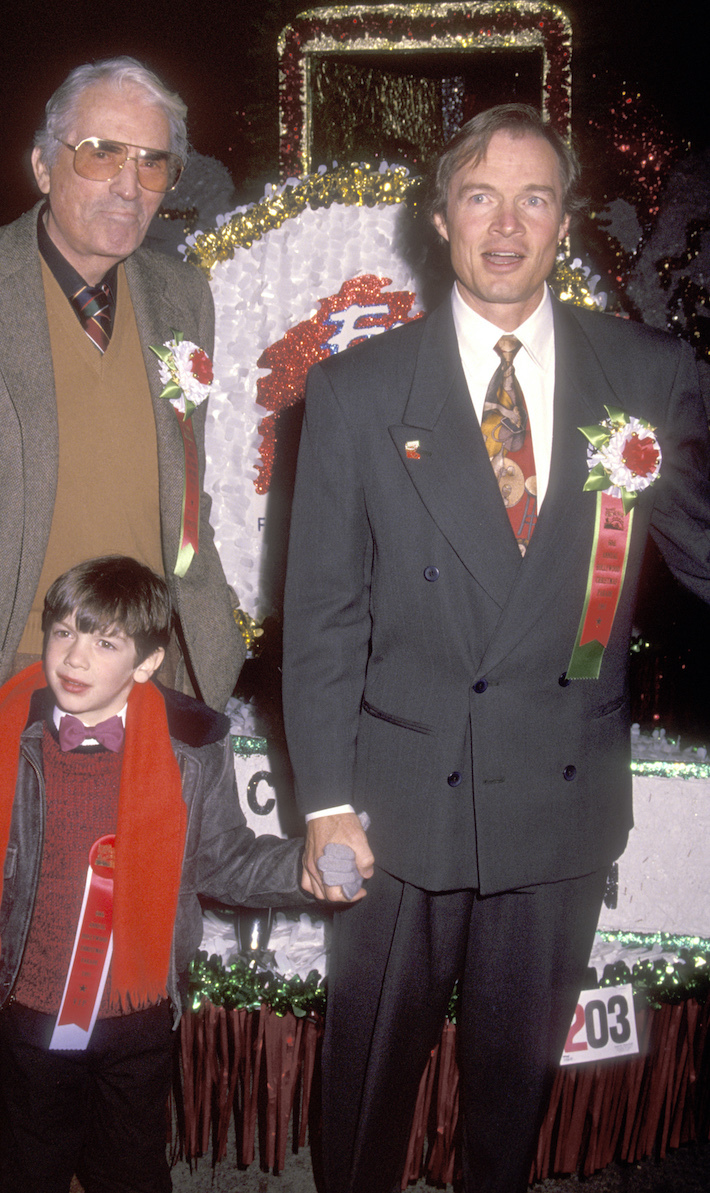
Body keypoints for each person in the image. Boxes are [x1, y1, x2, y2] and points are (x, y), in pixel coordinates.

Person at [282, 104, 710, 1193]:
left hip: (558, 804)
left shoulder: (649, 374)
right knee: (366, 1087)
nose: (507, 224)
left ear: (565, 219)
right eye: (481, 195)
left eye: (534, 197)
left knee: (510, 1097)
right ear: (439, 219)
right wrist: (325, 795)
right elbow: (323, 609)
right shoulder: (356, 389)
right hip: (399, 805)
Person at [0, 56, 243, 1191]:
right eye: (98, 150)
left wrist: (212, 662)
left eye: (150, 157)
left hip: (141, 704)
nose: (126, 180)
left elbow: (190, 504)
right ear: (41, 161)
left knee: (97, 1000)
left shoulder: (181, 296)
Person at [0, 555, 305, 1193]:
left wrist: (308, 869)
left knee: (130, 1171)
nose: (75, 657)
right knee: (23, 1167)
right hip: (32, 1013)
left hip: (137, 1017)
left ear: (147, 664)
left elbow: (227, 861)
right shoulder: (6, 739)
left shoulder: (192, 755)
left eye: (105, 642)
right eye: (63, 632)